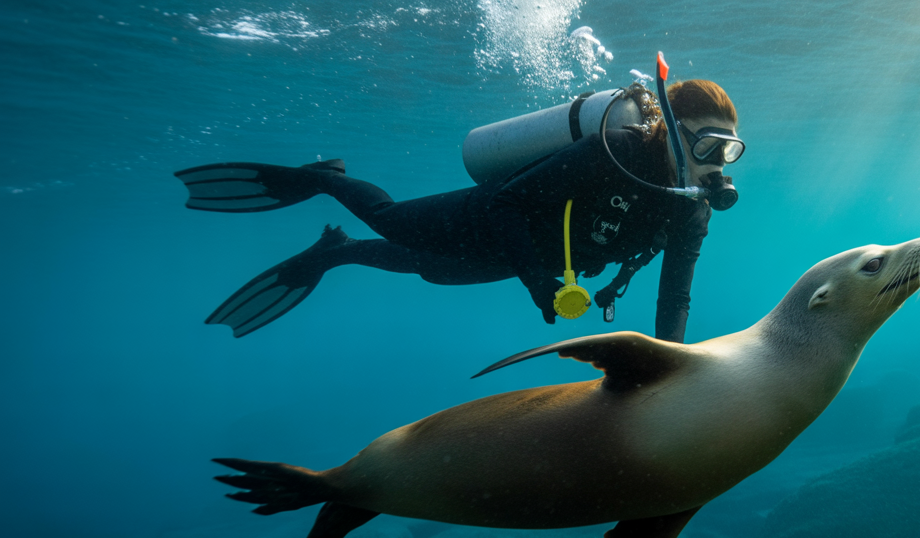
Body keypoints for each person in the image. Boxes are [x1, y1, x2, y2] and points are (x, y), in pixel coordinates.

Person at [175, 80, 744, 343]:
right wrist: (536, 285)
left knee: (429, 267)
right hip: (491, 218)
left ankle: (338, 252)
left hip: (532, 258)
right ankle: (327, 179)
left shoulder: (692, 213)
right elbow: (509, 199)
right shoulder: (618, 150)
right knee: (395, 223)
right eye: (706, 146)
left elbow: (675, 296)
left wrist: (672, 366)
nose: (716, 165)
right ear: (670, 132)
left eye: (728, 151)